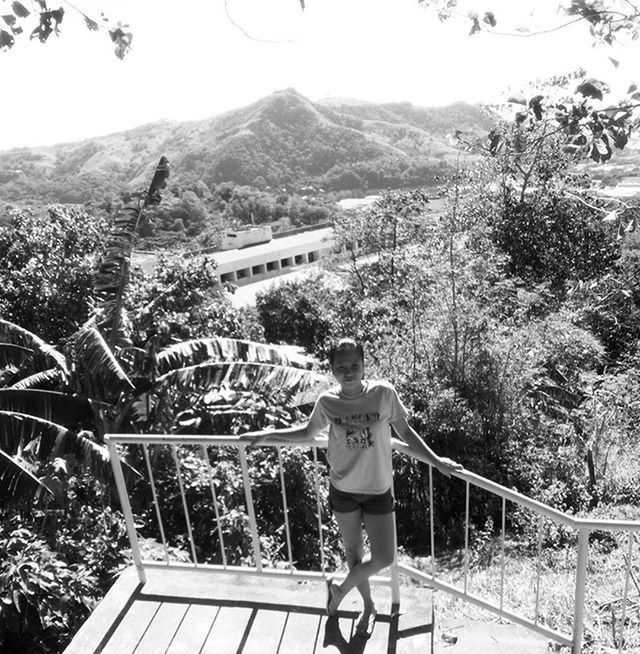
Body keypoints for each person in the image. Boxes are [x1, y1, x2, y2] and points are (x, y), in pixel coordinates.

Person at [241, 338, 462, 638]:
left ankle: (339, 588)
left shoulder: (384, 393)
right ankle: (368, 606)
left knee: (384, 556)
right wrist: (267, 435)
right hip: (343, 488)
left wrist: (436, 461)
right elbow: (307, 433)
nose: (349, 372)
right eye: (341, 367)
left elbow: (405, 432)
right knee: (353, 553)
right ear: (332, 369)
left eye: (354, 365)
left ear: (363, 365)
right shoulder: (327, 402)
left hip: (378, 489)